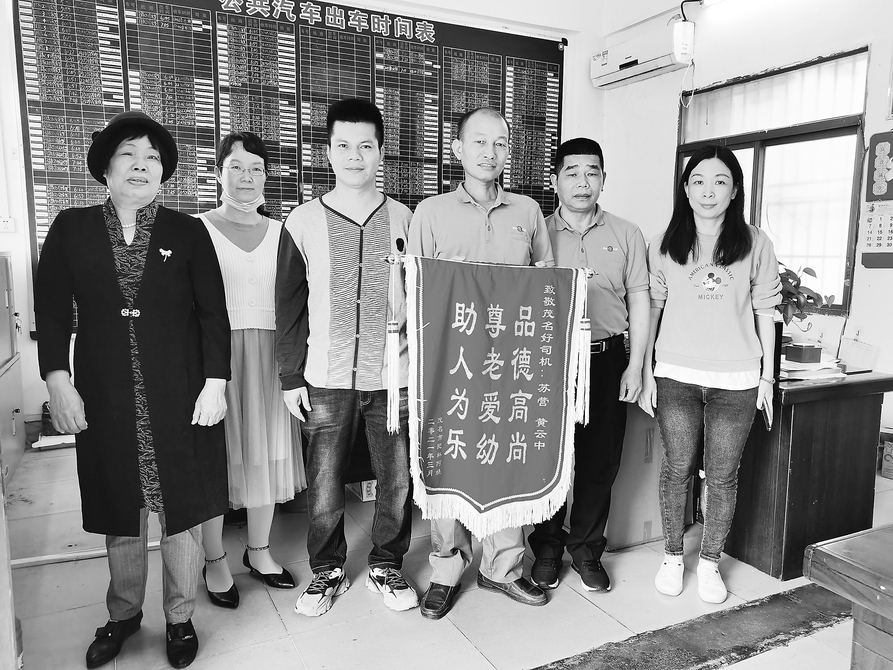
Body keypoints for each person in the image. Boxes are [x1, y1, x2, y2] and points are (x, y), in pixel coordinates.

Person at [35, 110, 231, 669]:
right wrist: (57, 381)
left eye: (152, 158)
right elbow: (52, 312)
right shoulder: (70, 228)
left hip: (179, 392)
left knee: (181, 507)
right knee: (120, 503)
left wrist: (215, 383)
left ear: (164, 171)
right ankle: (123, 614)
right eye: (128, 154)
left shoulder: (187, 232)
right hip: (106, 392)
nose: (141, 165)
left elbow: (213, 315)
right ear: (106, 167)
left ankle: (180, 616)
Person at [408, 106, 554, 619]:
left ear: (508, 151)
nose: (490, 153)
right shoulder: (430, 213)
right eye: (479, 142)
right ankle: (446, 569)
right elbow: (412, 287)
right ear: (457, 149)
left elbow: (546, 283)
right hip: (448, 363)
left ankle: (502, 568)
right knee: (446, 460)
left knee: (506, 457)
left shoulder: (528, 213)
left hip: (511, 363)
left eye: (500, 143)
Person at [276, 98, 418, 616]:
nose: (354, 156)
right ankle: (327, 569)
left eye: (365, 146)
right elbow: (288, 305)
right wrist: (291, 376)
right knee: (324, 483)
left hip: (394, 375)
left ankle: (387, 563)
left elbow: (424, 297)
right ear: (328, 152)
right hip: (326, 375)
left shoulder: (406, 218)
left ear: (381, 152)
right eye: (343, 146)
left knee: (396, 479)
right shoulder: (302, 221)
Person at [638, 144, 781, 604]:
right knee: (677, 469)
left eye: (720, 181)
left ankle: (710, 562)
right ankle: (672, 556)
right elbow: (653, 309)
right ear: (686, 188)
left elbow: (766, 311)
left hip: (737, 381)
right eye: (698, 181)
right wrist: (646, 372)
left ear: (735, 190)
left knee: (722, 477)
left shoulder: (755, 243)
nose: (708, 191)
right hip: (675, 375)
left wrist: (766, 378)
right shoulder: (665, 243)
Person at [528, 137, 649, 593]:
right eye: (572, 172)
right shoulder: (536, 231)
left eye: (592, 172)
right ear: (555, 179)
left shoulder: (626, 233)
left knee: (601, 460)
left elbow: (640, 300)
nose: (583, 182)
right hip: (550, 358)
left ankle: (586, 549)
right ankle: (546, 547)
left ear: (603, 179)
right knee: (550, 457)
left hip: (607, 357)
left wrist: (636, 366)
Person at [196, 131, 306, 609]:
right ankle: (214, 559)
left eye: (256, 168)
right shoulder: (196, 229)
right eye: (236, 167)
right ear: (218, 172)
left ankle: (259, 551)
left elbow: (297, 302)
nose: (247, 177)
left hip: (271, 356)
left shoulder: (284, 233)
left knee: (266, 452)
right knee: (215, 458)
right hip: (215, 360)